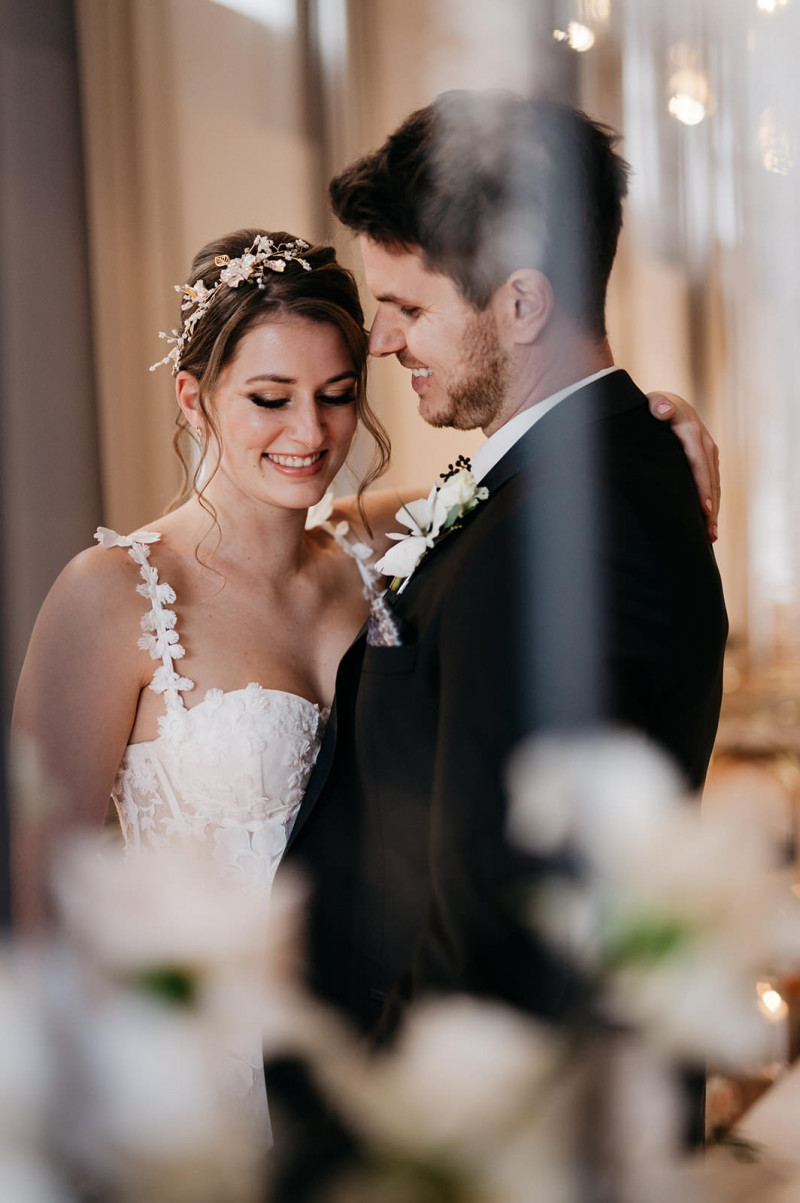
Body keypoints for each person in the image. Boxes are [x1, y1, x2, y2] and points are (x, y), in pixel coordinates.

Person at [276, 91, 728, 1075]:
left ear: (522, 304)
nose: (381, 341)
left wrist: (387, 1130)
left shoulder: (563, 532)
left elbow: (500, 932)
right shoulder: (578, 477)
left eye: (407, 308)